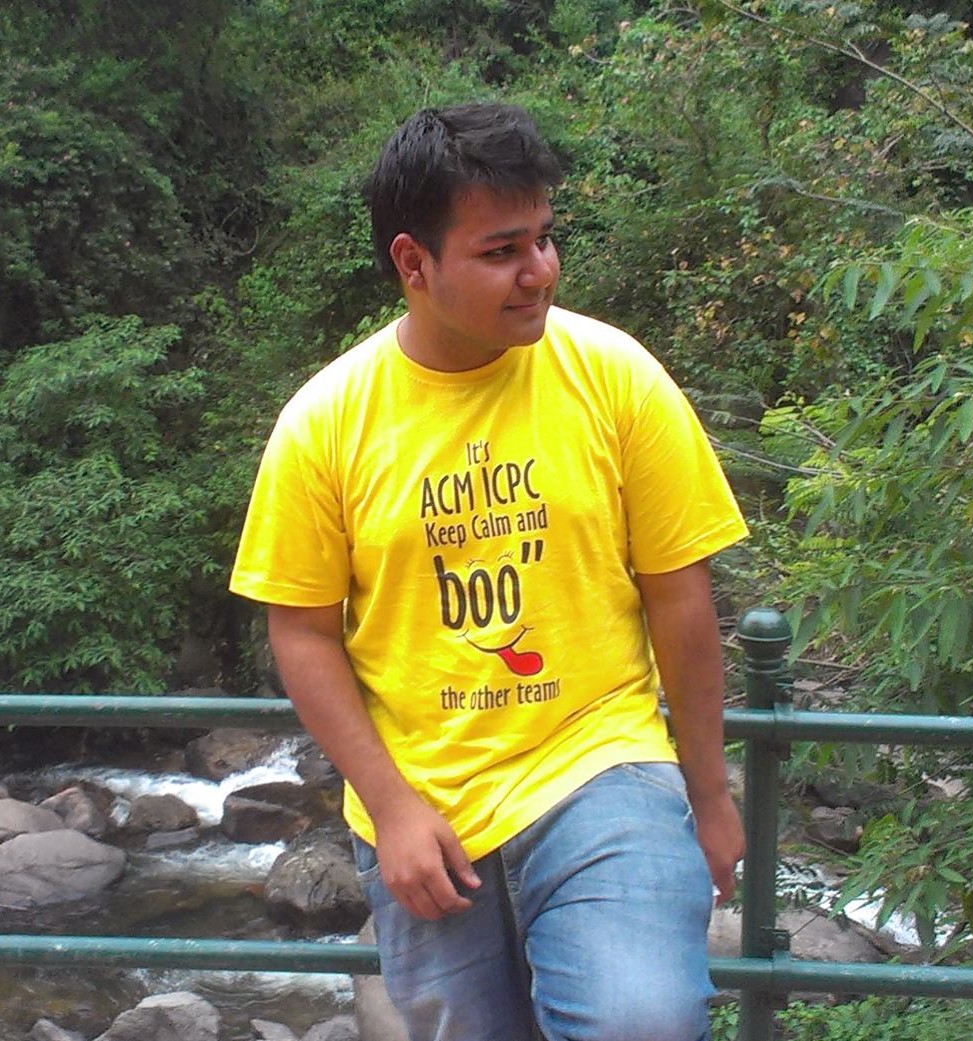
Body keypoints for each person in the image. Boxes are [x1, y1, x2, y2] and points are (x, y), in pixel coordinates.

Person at [230, 101, 748, 1041]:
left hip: (600, 764)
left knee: (641, 1020)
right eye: (502, 250)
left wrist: (708, 797)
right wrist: (390, 807)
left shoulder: (616, 377)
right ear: (413, 262)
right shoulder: (325, 423)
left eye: (544, 238)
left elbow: (679, 595)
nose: (538, 270)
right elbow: (300, 630)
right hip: (425, 806)